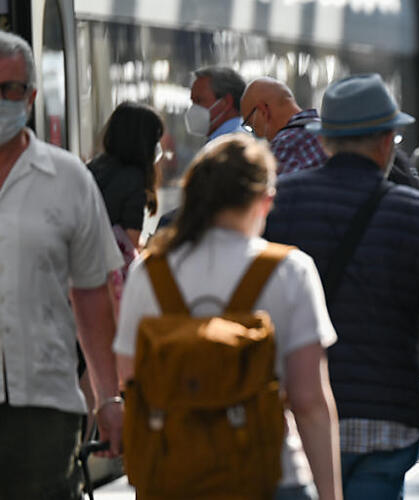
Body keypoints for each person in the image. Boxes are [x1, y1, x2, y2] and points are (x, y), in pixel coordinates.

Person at [264, 73, 419, 499]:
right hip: (384, 415)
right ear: (387, 141)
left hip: (294, 411)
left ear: (325, 141)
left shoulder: (278, 204)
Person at [115, 134, 343, 500]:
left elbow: (130, 380)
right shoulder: (290, 270)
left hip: (173, 477)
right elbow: (309, 402)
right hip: (271, 476)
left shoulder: (149, 272)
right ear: (264, 200)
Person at [0, 31, 124, 498]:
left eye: (10, 90)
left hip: (44, 407)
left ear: (31, 96)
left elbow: (91, 295)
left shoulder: (68, 178)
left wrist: (109, 397)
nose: (2, 102)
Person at [89, 101, 164, 248]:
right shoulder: (135, 180)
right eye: (155, 139)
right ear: (144, 142)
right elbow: (130, 243)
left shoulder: (93, 166)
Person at [241, 77, 327, 176]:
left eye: (251, 126)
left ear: (263, 111)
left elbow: (270, 190)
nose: (254, 134)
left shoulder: (285, 145)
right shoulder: (330, 133)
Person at [186, 65, 247, 141]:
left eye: (199, 101)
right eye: (193, 102)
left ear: (226, 102)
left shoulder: (233, 144)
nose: (193, 109)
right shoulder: (221, 140)